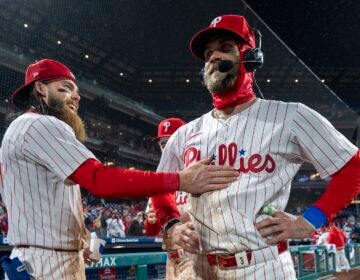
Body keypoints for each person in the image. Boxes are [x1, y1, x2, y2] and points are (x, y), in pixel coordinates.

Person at [151, 14, 360, 279]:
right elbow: (159, 187)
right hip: (201, 270)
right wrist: (172, 226)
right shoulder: (186, 134)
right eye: (207, 54)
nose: (213, 57)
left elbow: (353, 167)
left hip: (264, 267)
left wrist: (309, 222)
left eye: (225, 48)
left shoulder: (290, 116)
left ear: (251, 57)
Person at [0, 59, 239, 279]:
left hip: (40, 256)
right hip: (46, 263)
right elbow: (99, 180)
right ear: (41, 88)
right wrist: (180, 179)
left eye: (77, 91)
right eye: (66, 87)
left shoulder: (22, 130)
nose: (76, 97)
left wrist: (77, 244)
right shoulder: (40, 124)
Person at [145, 117, 199, 279]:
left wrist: (180, 218)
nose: (167, 147)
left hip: (195, 256)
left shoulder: (198, 172)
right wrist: (152, 221)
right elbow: (151, 231)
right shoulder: (158, 181)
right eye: (163, 143)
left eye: (172, 141)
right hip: (170, 257)